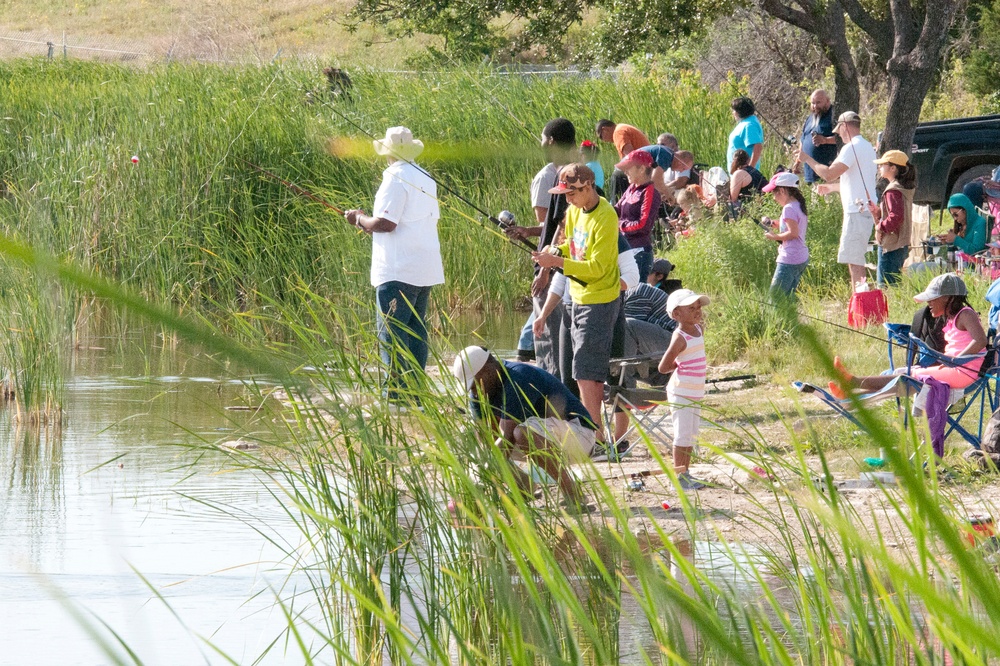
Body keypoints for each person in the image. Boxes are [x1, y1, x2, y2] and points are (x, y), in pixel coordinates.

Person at [344, 126, 444, 404]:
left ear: (387, 152)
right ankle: (416, 394)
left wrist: (358, 219)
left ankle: (396, 397)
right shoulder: (424, 176)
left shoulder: (395, 177)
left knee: (392, 336)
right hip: (424, 270)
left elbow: (386, 224)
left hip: (399, 269)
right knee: (416, 333)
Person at [533, 163, 621, 451]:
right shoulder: (572, 213)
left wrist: (556, 263)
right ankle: (590, 435)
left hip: (599, 300)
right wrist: (553, 251)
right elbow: (570, 245)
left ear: (588, 188)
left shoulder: (606, 217)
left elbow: (597, 267)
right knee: (577, 371)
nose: (567, 200)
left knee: (587, 372)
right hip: (576, 298)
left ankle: (595, 440)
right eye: (564, 194)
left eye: (571, 194)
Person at [452, 346, 593, 510]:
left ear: (489, 368)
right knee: (474, 439)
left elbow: (507, 438)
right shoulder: (478, 393)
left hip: (579, 436)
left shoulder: (518, 376)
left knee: (522, 433)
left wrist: (482, 478)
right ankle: (524, 487)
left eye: (475, 384)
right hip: (545, 440)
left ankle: (573, 494)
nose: (474, 392)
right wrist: (474, 474)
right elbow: (485, 441)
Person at [828, 273, 987, 399]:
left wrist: (954, 360)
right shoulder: (951, 318)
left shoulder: (965, 314)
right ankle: (850, 393)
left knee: (908, 376)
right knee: (903, 376)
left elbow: (981, 340)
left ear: (946, 297)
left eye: (932, 299)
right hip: (955, 368)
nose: (928, 303)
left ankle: (852, 381)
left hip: (964, 371)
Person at [506, 118, 578, 372]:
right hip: (571, 264)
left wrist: (546, 268)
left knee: (548, 334)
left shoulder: (557, 176)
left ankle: (551, 388)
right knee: (564, 330)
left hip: (554, 264)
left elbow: (557, 226)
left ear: (551, 141)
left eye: (542, 139)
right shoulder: (581, 171)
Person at [795, 111, 877, 291]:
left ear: (845, 126)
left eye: (838, 129)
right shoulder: (867, 146)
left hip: (857, 211)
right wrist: (832, 188)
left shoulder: (851, 148)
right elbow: (856, 181)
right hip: (863, 210)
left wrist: (806, 158)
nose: (838, 134)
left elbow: (829, 174)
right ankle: (860, 299)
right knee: (854, 258)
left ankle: (860, 302)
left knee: (854, 261)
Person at [658, 289, 711, 490]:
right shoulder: (679, 337)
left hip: (695, 391)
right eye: (691, 308)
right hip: (681, 392)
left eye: (698, 307)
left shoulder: (698, 329)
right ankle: (678, 477)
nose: (697, 311)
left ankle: (686, 473)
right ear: (676, 314)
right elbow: (663, 366)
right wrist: (679, 368)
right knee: (681, 435)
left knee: (690, 435)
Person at [866, 150, 916, 287]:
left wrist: (879, 227)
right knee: (895, 285)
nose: (879, 167)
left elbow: (896, 217)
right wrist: (878, 212)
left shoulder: (893, 190)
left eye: (883, 164)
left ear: (893, 168)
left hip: (891, 245)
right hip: (901, 243)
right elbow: (897, 213)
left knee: (885, 286)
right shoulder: (903, 188)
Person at [614, 149, 661, 281]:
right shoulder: (631, 188)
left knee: (635, 296)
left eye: (628, 168)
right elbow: (616, 209)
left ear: (641, 169)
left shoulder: (650, 192)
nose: (625, 171)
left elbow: (643, 225)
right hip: (625, 249)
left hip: (639, 253)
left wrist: (620, 226)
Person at [762, 172, 809, 297]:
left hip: (790, 258)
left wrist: (774, 237)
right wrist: (775, 224)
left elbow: (793, 233)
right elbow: (794, 226)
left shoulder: (788, 208)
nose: (773, 197)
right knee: (788, 298)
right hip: (801, 257)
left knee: (775, 298)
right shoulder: (798, 204)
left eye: (774, 193)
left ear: (782, 190)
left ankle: (773, 317)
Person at [596, 119, 651, 203]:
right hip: (645, 164)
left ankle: (617, 208)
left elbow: (631, 155)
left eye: (601, 136)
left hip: (643, 167)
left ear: (605, 129)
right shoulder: (622, 128)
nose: (603, 140)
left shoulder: (618, 132)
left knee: (617, 175)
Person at [796, 90, 837, 184]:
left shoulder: (834, 116)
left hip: (828, 174)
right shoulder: (810, 118)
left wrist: (825, 140)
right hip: (810, 175)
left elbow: (844, 139)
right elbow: (803, 140)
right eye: (813, 103)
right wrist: (797, 163)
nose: (815, 106)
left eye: (818, 102)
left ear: (828, 101)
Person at [939, 193, 988, 258]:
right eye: (952, 215)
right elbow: (960, 247)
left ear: (965, 210)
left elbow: (977, 250)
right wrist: (948, 242)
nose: (955, 218)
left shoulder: (979, 223)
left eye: (956, 214)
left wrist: (955, 239)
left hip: (971, 264)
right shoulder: (961, 224)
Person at [726, 97, 764, 171]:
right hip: (739, 173)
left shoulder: (749, 125)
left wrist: (750, 170)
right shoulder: (745, 123)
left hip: (745, 176)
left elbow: (757, 147)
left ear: (740, 111)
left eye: (734, 110)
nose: (733, 113)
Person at [728, 149, 767, 217]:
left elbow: (733, 199)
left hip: (754, 208)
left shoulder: (738, 174)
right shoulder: (755, 171)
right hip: (766, 203)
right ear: (748, 160)